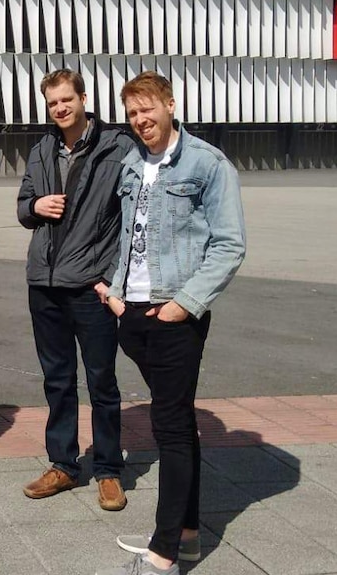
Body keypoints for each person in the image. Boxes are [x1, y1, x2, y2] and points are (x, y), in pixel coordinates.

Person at [96, 71, 246, 575]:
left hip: (175, 314)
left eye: (148, 109)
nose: (141, 120)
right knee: (178, 423)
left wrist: (185, 304)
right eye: (132, 113)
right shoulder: (133, 164)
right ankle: (185, 535)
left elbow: (229, 244)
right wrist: (116, 295)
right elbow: (129, 238)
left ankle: (161, 555)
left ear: (170, 105)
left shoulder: (207, 163)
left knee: (172, 430)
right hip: (134, 314)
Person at [16, 69, 134, 511]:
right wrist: (35, 205)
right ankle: (63, 464)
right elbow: (23, 206)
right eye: (52, 103)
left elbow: (132, 214)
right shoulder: (42, 149)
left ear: (84, 98)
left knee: (102, 380)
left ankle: (108, 470)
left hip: (90, 285)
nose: (60, 108)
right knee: (58, 381)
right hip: (43, 284)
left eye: (66, 99)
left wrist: (110, 278)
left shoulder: (118, 147)